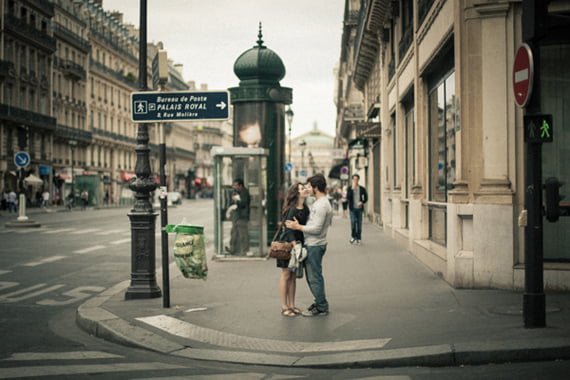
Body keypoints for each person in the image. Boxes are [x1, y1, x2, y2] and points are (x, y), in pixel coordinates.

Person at [286, 174, 333, 317]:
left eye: (309, 186)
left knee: (314, 277)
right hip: (315, 244)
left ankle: (321, 306)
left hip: (315, 245)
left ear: (316, 187)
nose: (308, 189)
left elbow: (317, 229)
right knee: (314, 276)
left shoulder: (321, 205)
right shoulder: (319, 203)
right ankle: (319, 302)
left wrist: (298, 227)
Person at [277, 182, 311, 317]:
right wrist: (294, 245)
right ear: (296, 193)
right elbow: (288, 228)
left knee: (293, 276)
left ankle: (292, 305)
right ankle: (284, 306)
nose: (305, 190)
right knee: (286, 275)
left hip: (297, 245)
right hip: (287, 246)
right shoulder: (292, 209)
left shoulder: (305, 208)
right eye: (302, 189)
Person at [225, 178, 251, 256]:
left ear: (241, 185)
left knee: (243, 234)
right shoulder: (237, 192)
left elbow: (243, 203)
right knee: (234, 233)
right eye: (234, 185)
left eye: (236, 185)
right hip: (237, 216)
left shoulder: (244, 192)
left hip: (242, 216)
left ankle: (245, 250)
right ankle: (232, 249)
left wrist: (237, 199)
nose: (234, 187)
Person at [346, 174, 368, 245]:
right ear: (352, 180)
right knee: (353, 223)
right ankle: (353, 237)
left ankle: (358, 238)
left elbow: (366, 198)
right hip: (352, 209)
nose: (355, 180)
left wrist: (362, 202)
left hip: (359, 209)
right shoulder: (349, 188)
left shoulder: (362, 189)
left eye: (356, 179)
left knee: (359, 224)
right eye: (354, 179)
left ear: (358, 180)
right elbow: (348, 198)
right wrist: (352, 189)